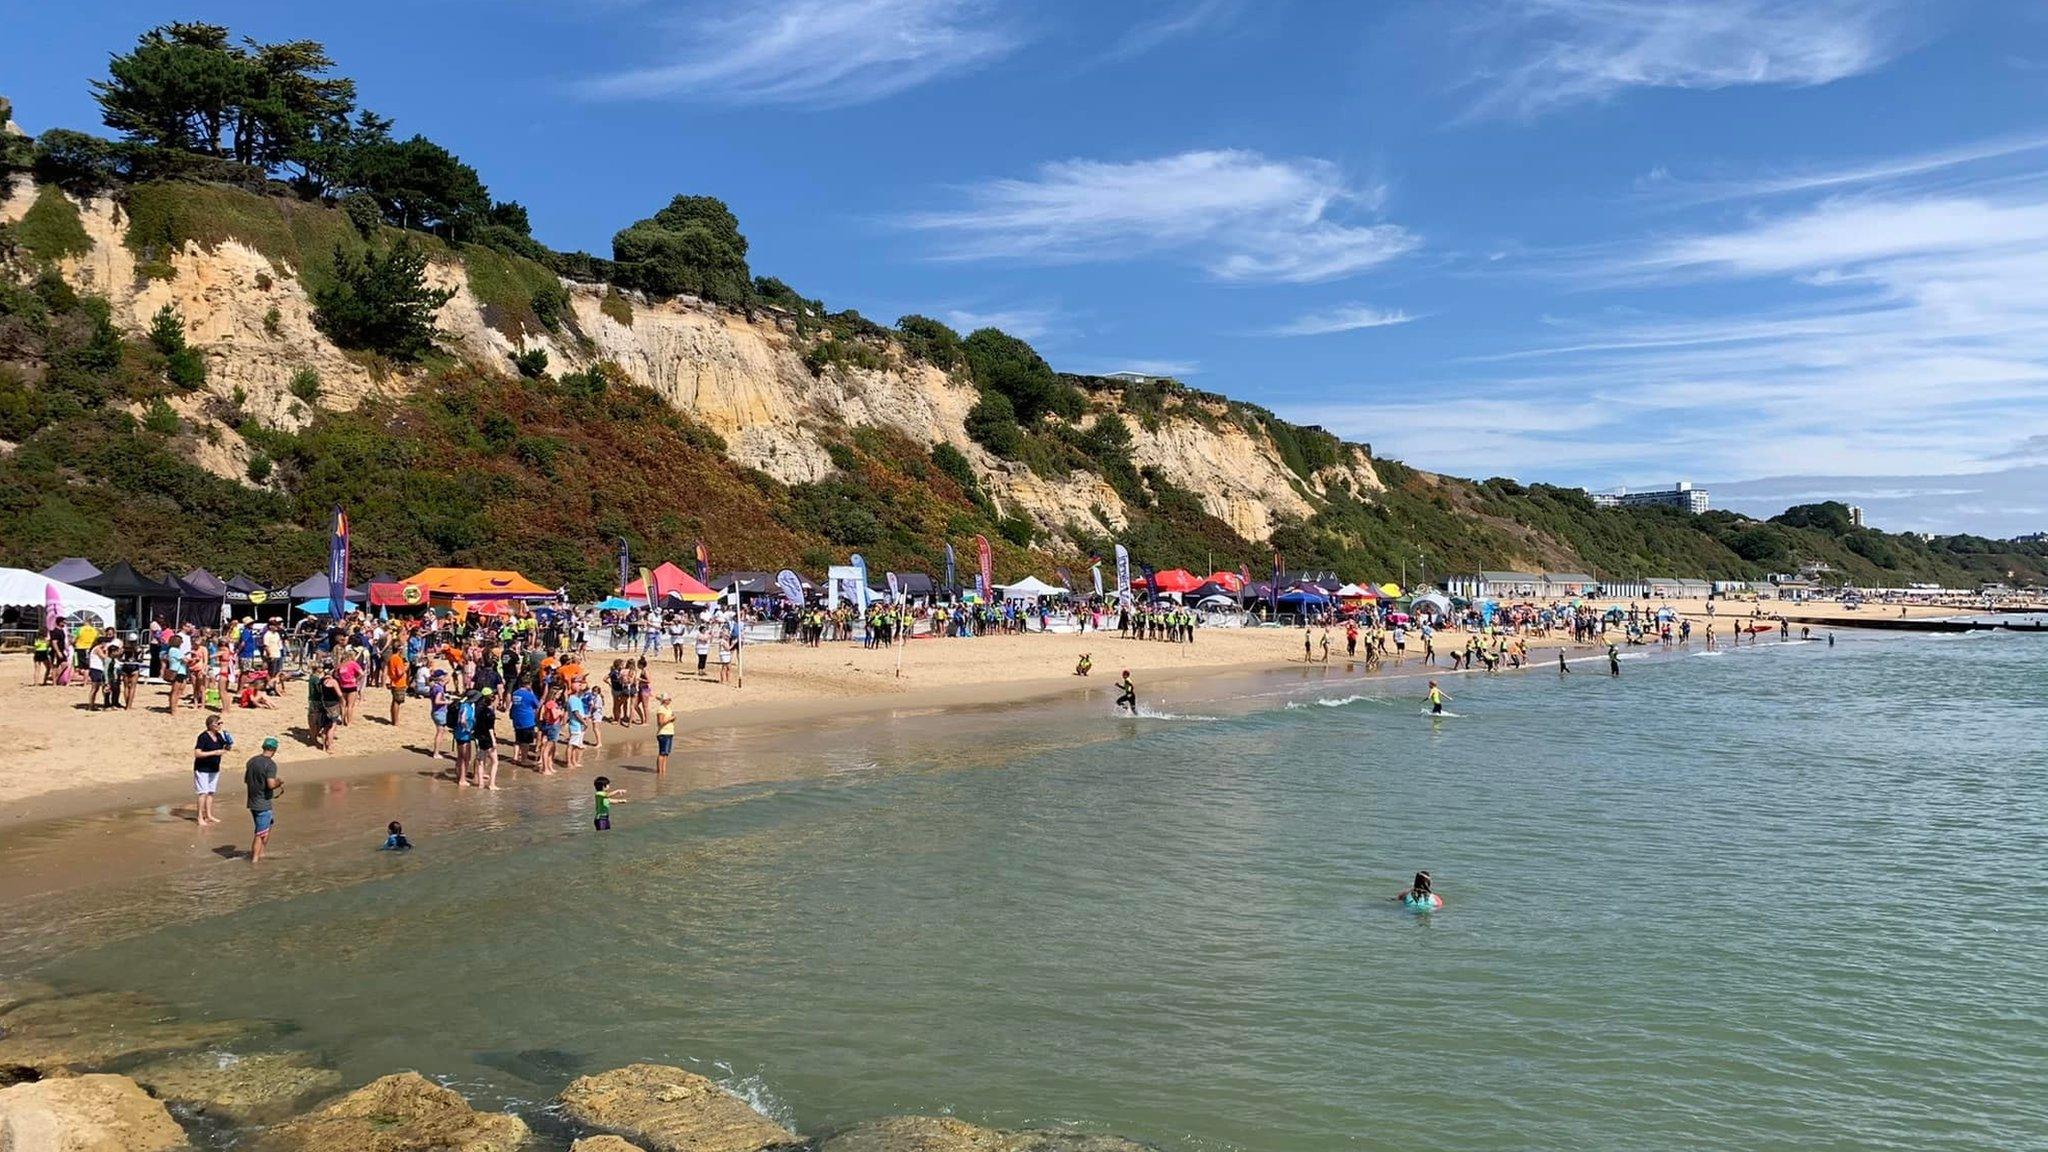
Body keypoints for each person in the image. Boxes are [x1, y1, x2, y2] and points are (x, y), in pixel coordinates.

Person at [245, 737, 282, 864]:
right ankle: (255, 860)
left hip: (252, 801)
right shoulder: (270, 764)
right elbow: (271, 784)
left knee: (265, 828)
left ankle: (261, 854)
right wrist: (279, 782)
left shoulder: (252, 761)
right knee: (260, 834)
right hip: (263, 803)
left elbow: (247, 780)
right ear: (274, 750)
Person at [193, 714, 231, 826]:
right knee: (203, 793)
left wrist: (229, 744)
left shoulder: (219, 736)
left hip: (214, 768)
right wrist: (214, 753)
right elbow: (197, 753)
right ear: (211, 725)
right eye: (218, 723)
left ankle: (209, 815)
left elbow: (225, 748)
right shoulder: (203, 737)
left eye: (221, 723)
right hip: (202, 768)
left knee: (210, 792)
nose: (220, 725)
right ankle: (200, 816)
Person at [652, 693, 677, 774]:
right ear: (664, 700)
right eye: (669, 699)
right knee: (662, 753)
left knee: (666, 753)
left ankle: (663, 771)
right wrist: (670, 719)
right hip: (663, 733)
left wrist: (672, 719)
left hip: (669, 732)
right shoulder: (661, 709)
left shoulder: (668, 708)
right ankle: (659, 771)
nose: (670, 701)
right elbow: (660, 722)